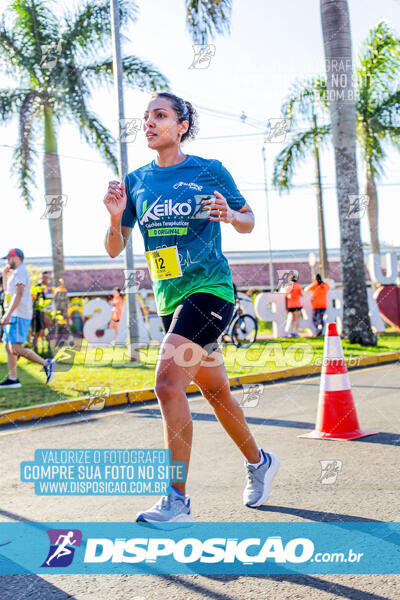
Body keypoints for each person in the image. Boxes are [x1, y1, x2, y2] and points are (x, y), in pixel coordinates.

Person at [104, 92, 280, 525]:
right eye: (146, 118)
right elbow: (113, 249)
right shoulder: (136, 181)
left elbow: (248, 219)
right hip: (171, 299)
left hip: (210, 292)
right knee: (216, 394)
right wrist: (114, 218)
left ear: (182, 125)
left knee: (166, 383)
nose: (149, 123)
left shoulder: (208, 170)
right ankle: (260, 463)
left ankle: (176, 500)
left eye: (160, 116)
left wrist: (229, 215)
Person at [0, 249, 56, 388]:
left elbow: (18, 295)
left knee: (16, 348)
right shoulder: (15, 273)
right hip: (14, 314)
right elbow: (8, 293)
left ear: (16, 258)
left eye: (9, 258)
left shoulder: (20, 272)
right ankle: (13, 379)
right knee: (8, 346)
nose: (7, 261)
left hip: (18, 315)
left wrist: (7, 315)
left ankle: (47, 364)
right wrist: (4, 275)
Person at [31, 271, 50, 350]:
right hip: (36, 312)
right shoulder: (37, 287)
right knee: (36, 331)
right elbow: (33, 299)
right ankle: (34, 348)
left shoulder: (45, 288)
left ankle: (39, 348)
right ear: (40, 278)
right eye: (44, 277)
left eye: (47, 278)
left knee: (41, 330)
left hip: (41, 312)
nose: (45, 279)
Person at [283, 273, 303, 338]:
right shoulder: (298, 285)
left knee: (291, 319)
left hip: (290, 305)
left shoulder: (288, 286)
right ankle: (296, 332)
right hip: (297, 304)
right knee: (297, 319)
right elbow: (301, 294)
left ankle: (291, 332)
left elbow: (286, 295)